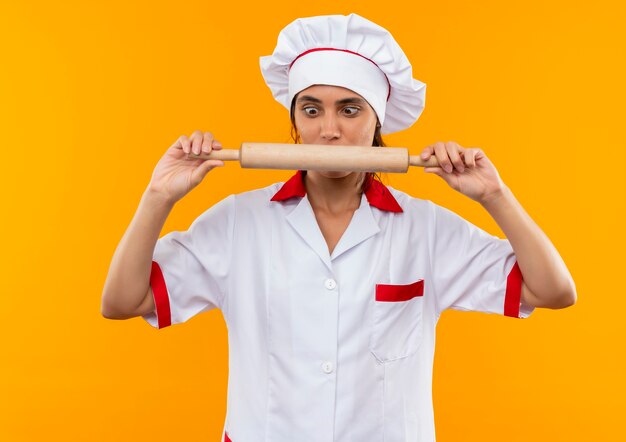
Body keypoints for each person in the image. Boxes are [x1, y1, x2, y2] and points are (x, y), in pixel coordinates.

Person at [101, 13, 576, 442]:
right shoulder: (238, 222)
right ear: (294, 122)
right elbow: (123, 302)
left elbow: (553, 291)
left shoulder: (424, 229)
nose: (329, 130)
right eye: (311, 110)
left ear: (377, 122)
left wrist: (495, 196)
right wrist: (158, 195)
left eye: (350, 110)